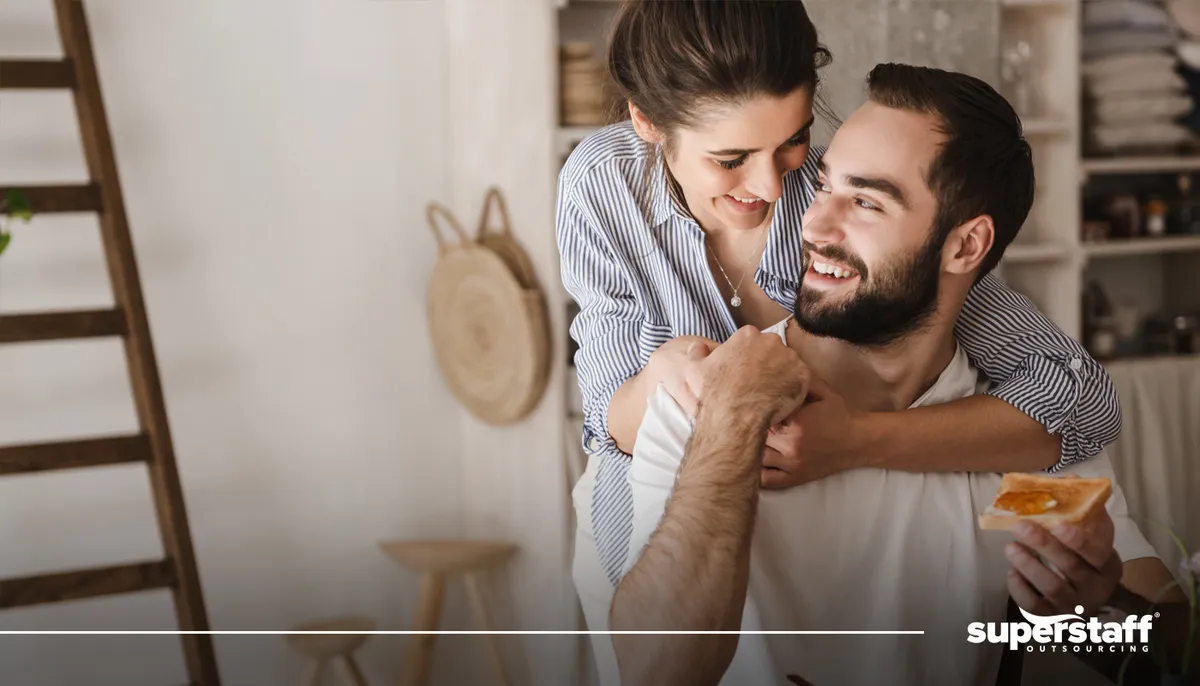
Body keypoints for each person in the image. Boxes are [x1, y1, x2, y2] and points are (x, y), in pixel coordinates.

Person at [597, 63, 1188, 686]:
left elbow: (1170, 648)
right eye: (823, 187)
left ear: (965, 246)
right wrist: (733, 421)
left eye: (865, 202)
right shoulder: (708, 403)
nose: (812, 226)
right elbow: (654, 669)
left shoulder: (1019, 458)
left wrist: (1095, 611)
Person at [557, 0, 1122, 603]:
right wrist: (662, 386)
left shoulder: (840, 202)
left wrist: (856, 439)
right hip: (670, 506)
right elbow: (611, 422)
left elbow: (1079, 398)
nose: (772, 187)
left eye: (795, 140)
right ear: (646, 122)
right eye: (730, 160)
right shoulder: (606, 184)